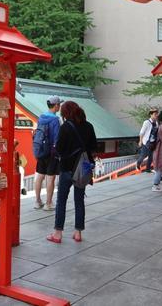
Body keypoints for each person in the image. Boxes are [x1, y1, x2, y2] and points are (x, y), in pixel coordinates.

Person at [47, 101, 97, 243]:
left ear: (65, 113)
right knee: (79, 200)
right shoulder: (89, 126)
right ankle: (78, 233)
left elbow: (60, 149)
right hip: (83, 168)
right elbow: (93, 148)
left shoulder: (65, 127)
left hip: (67, 168)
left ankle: (57, 234)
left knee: (61, 201)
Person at [33, 96, 63, 210]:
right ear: (55, 105)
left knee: (40, 175)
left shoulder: (41, 117)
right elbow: (57, 138)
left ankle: (37, 201)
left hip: (41, 150)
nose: (59, 106)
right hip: (51, 152)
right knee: (50, 178)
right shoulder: (55, 120)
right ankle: (48, 203)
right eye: (59, 104)